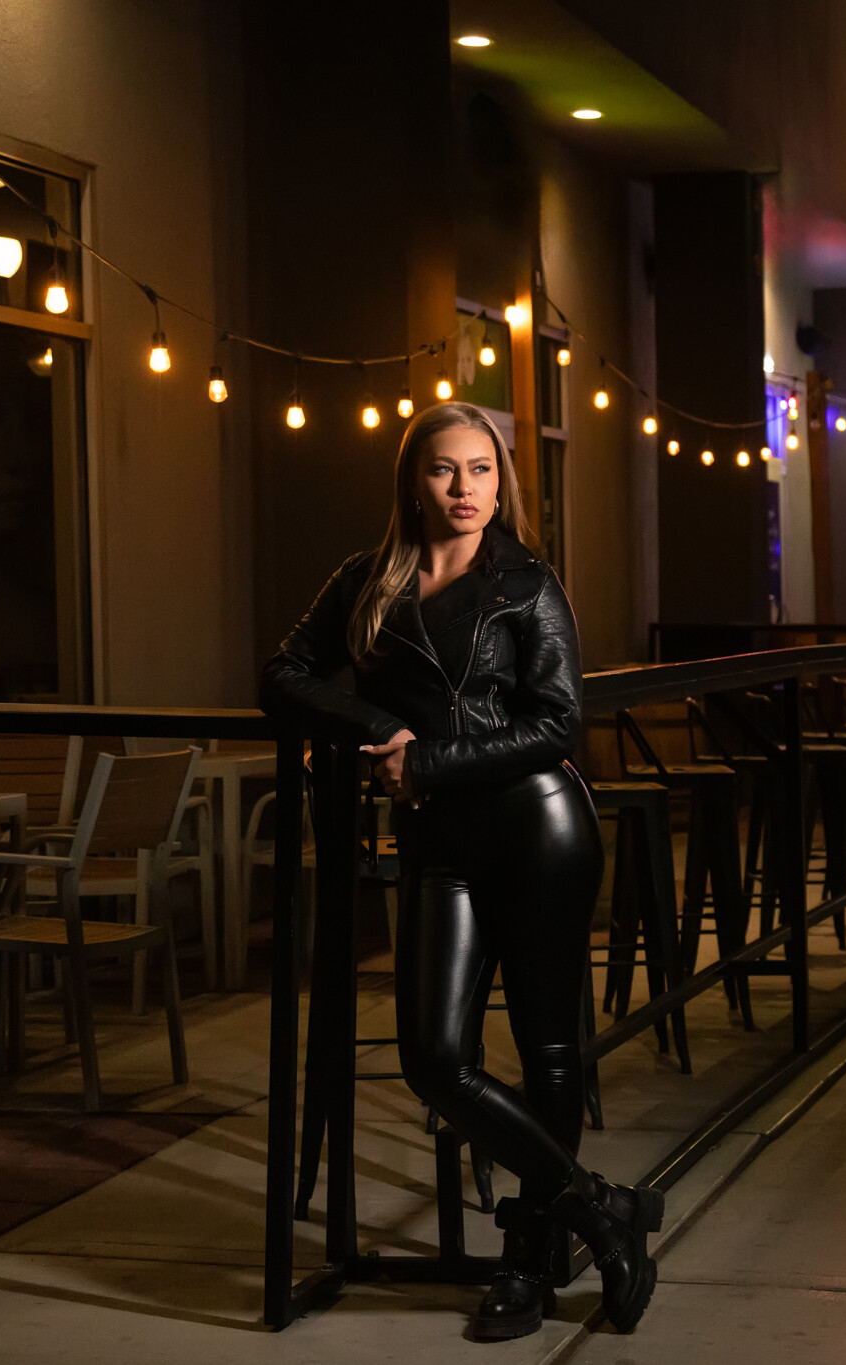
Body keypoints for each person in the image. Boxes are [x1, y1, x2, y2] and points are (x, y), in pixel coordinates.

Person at [261, 401, 661, 1341]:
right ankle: (601, 1210)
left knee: (550, 1048)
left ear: (501, 479)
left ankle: (527, 1261)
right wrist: (374, 731)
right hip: (442, 843)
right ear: (412, 479)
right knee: (435, 1058)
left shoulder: (526, 581)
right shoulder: (365, 580)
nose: (464, 489)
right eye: (445, 470)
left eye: (481, 470)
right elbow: (283, 674)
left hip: (538, 827)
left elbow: (560, 723)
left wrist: (428, 762)